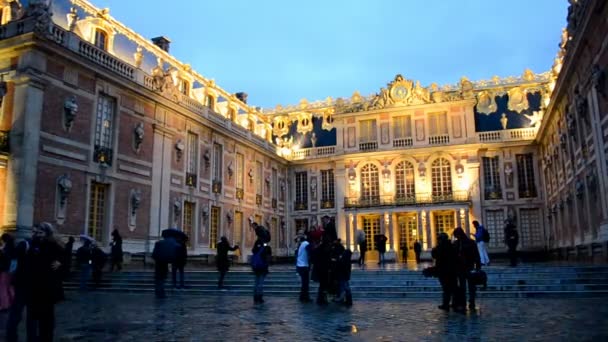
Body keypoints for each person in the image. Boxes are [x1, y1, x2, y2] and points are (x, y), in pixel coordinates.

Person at [24, 222, 65, 341]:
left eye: (40, 233)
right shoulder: (33, 244)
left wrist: (59, 263)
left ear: (47, 233)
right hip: (35, 286)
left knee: (46, 317)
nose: (38, 235)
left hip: (48, 287)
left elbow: (63, 258)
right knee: (34, 315)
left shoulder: (53, 245)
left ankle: (46, 338)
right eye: (36, 232)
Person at [5, 233, 30, 342]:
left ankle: (11, 335)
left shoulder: (16, 248)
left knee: (16, 312)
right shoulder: (24, 247)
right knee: (18, 312)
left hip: (21, 283)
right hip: (24, 284)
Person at [452, 227, 481, 313]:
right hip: (460, 268)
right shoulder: (457, 243)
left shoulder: (470, 242)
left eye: (457, 235)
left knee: (471, 286)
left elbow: (476, 254)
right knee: (462, 287)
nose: (456, 237)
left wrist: (478, 267)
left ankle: (471, 301)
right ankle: (464, 302)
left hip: (469, 267)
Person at [432, 232, 456, 311]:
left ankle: (446, 304)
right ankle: (454, 303)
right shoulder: (451, 245)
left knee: (446, 288)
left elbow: (434, 255)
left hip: (444, 270)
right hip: (451, 270)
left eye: (439, 239)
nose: (438, 240)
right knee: (452, 287)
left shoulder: (440, 247)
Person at [152, 232, 179, 299]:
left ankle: (159, 292)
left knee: (159, 279)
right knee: (162, 279)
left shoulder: (158, 243)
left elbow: (154, 255)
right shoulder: (175, 244)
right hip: (166, 264)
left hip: (158, 264)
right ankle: (161, 293)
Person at [251, 222, 272, 304]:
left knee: (256, 281)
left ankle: (255, 297)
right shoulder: (266, 244)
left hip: (256, 265)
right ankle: (259, 297)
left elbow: (253, 251)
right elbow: (268, 256)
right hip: (263, 265)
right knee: (260, 282)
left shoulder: (257, 242)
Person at [333, 241, 353, 306]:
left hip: (343, 276)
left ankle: (344, 300)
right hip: (345, 276)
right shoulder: (347, 260)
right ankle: (347, 300)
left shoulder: (343, 260)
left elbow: (341, 267)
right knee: (345, 287)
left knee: (345, 288)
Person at [0, 233, 16, 311]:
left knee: (3, 288)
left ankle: (5, 305)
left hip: (4, 270)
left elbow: (3, 260)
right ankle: (13, 303)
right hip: (11, 271)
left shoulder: (5, 250)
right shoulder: (13, 248)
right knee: (10, 287)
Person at [295, 235, 312, 302]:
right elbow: (309, 253)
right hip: (304, 265)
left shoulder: (301, 245)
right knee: (306, 282)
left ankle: (302, 296)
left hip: (300, 265)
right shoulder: (306, 244)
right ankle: (305, 297)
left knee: (304, 282)